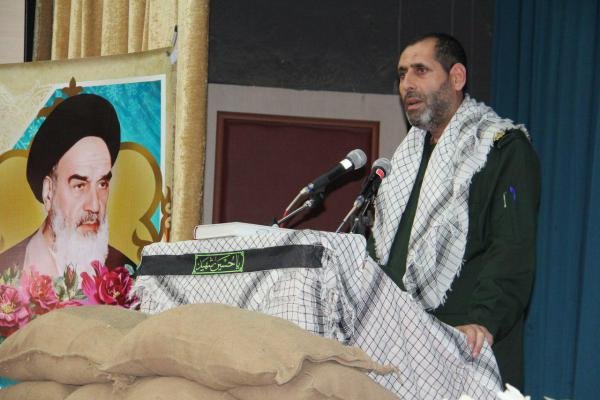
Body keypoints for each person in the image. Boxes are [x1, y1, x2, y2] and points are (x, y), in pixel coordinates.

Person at [368, 33, 540, 389]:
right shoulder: (406, 159)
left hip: (463, 349)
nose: (407, 84)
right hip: (396, 347)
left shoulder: (500, 150)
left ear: (457, 78)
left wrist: (483, 322)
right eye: (402, 74)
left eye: (420, 71)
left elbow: (511, 250)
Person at [0, 94, 135, 280]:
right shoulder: (5, 273)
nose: (95, 206)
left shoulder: (129, 277)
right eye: (79, 186)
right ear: (49, 192)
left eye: (102, 184)